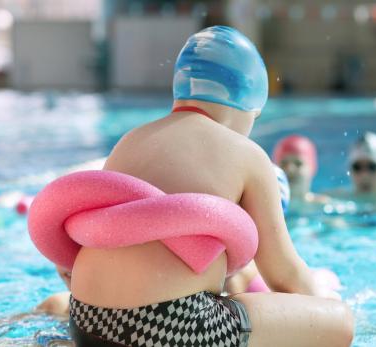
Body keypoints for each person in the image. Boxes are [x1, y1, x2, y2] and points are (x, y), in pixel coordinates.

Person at [65, 26, 353, 347]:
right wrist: (319, 309)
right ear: (248, 103)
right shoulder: (247, 154)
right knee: (339, 322)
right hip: (167, 328)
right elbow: (283, 274)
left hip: (84, 319)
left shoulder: (130, 141)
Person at [272, 135, 331, 213]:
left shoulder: (324, 206)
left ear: (313, 168)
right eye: (284, 163)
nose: (290, 169)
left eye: (298, 163)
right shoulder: (268, 207)